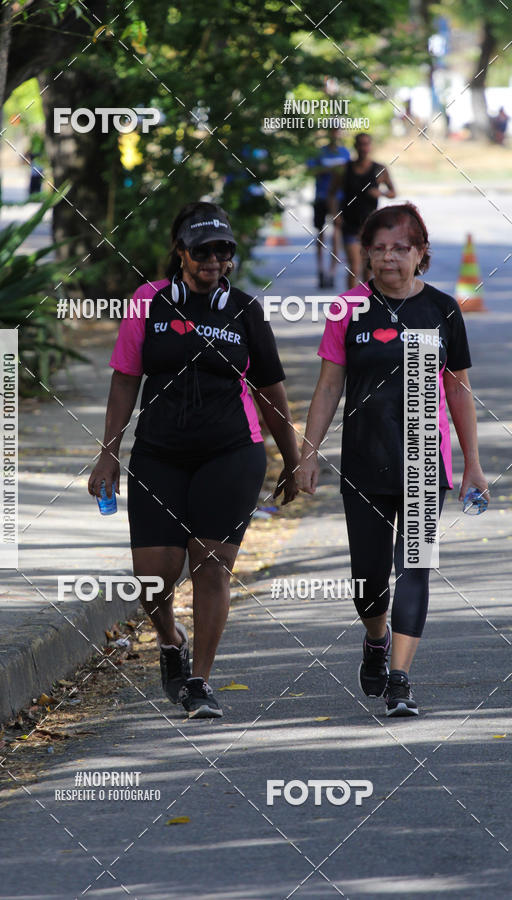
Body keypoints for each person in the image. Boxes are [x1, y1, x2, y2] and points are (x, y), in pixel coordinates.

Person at [88, 201, 299, 718]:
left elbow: (271, 393)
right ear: (180, 252)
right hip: (159, 454)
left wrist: (293, 459)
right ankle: (169, 641)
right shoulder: (148, 303)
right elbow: (124, 381)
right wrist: (107, 455)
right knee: (154, 576)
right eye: (202, 250)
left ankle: (200, 682)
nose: (213, 259)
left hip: (231, 453)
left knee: (210, 568)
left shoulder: (246, 311)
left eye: (223, 250)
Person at [295, 202, 489, 717]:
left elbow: (459, 391)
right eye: (378, 249)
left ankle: (401, 679)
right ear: (365, 254)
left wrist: (472, 462)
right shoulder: (348, 311)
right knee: (368, 580)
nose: (387, 259)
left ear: (420, 253)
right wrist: (306, 454)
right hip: (363, 460)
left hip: (427, 460)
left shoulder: (443, 310)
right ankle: (375, 638)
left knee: (416, 568)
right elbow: (329, 385)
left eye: (400, 248)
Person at [329, 133, 396, 289]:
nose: (363, 148)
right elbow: (331, 194)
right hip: (349, 223)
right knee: (354, 267)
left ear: (370, 146)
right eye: (360, 144)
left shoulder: (379, 169)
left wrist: (381, 193)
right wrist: (335, 215)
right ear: (355, 146)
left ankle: (366, 305)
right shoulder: (344, 169)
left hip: (371, 225)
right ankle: (351, 306)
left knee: (368, 269)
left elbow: (393, 192)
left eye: (366, 144)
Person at [307, 130, 350, 288]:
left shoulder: (345, 152)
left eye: (337, 132)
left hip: (339, 198)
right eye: (332, 131)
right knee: (321, 233)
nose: (335, 135)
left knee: (337, 233)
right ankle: (321, 270)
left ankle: (332, 272)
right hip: (321, 196)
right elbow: (310, 170)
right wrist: (330, 170)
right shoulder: (319, 152)